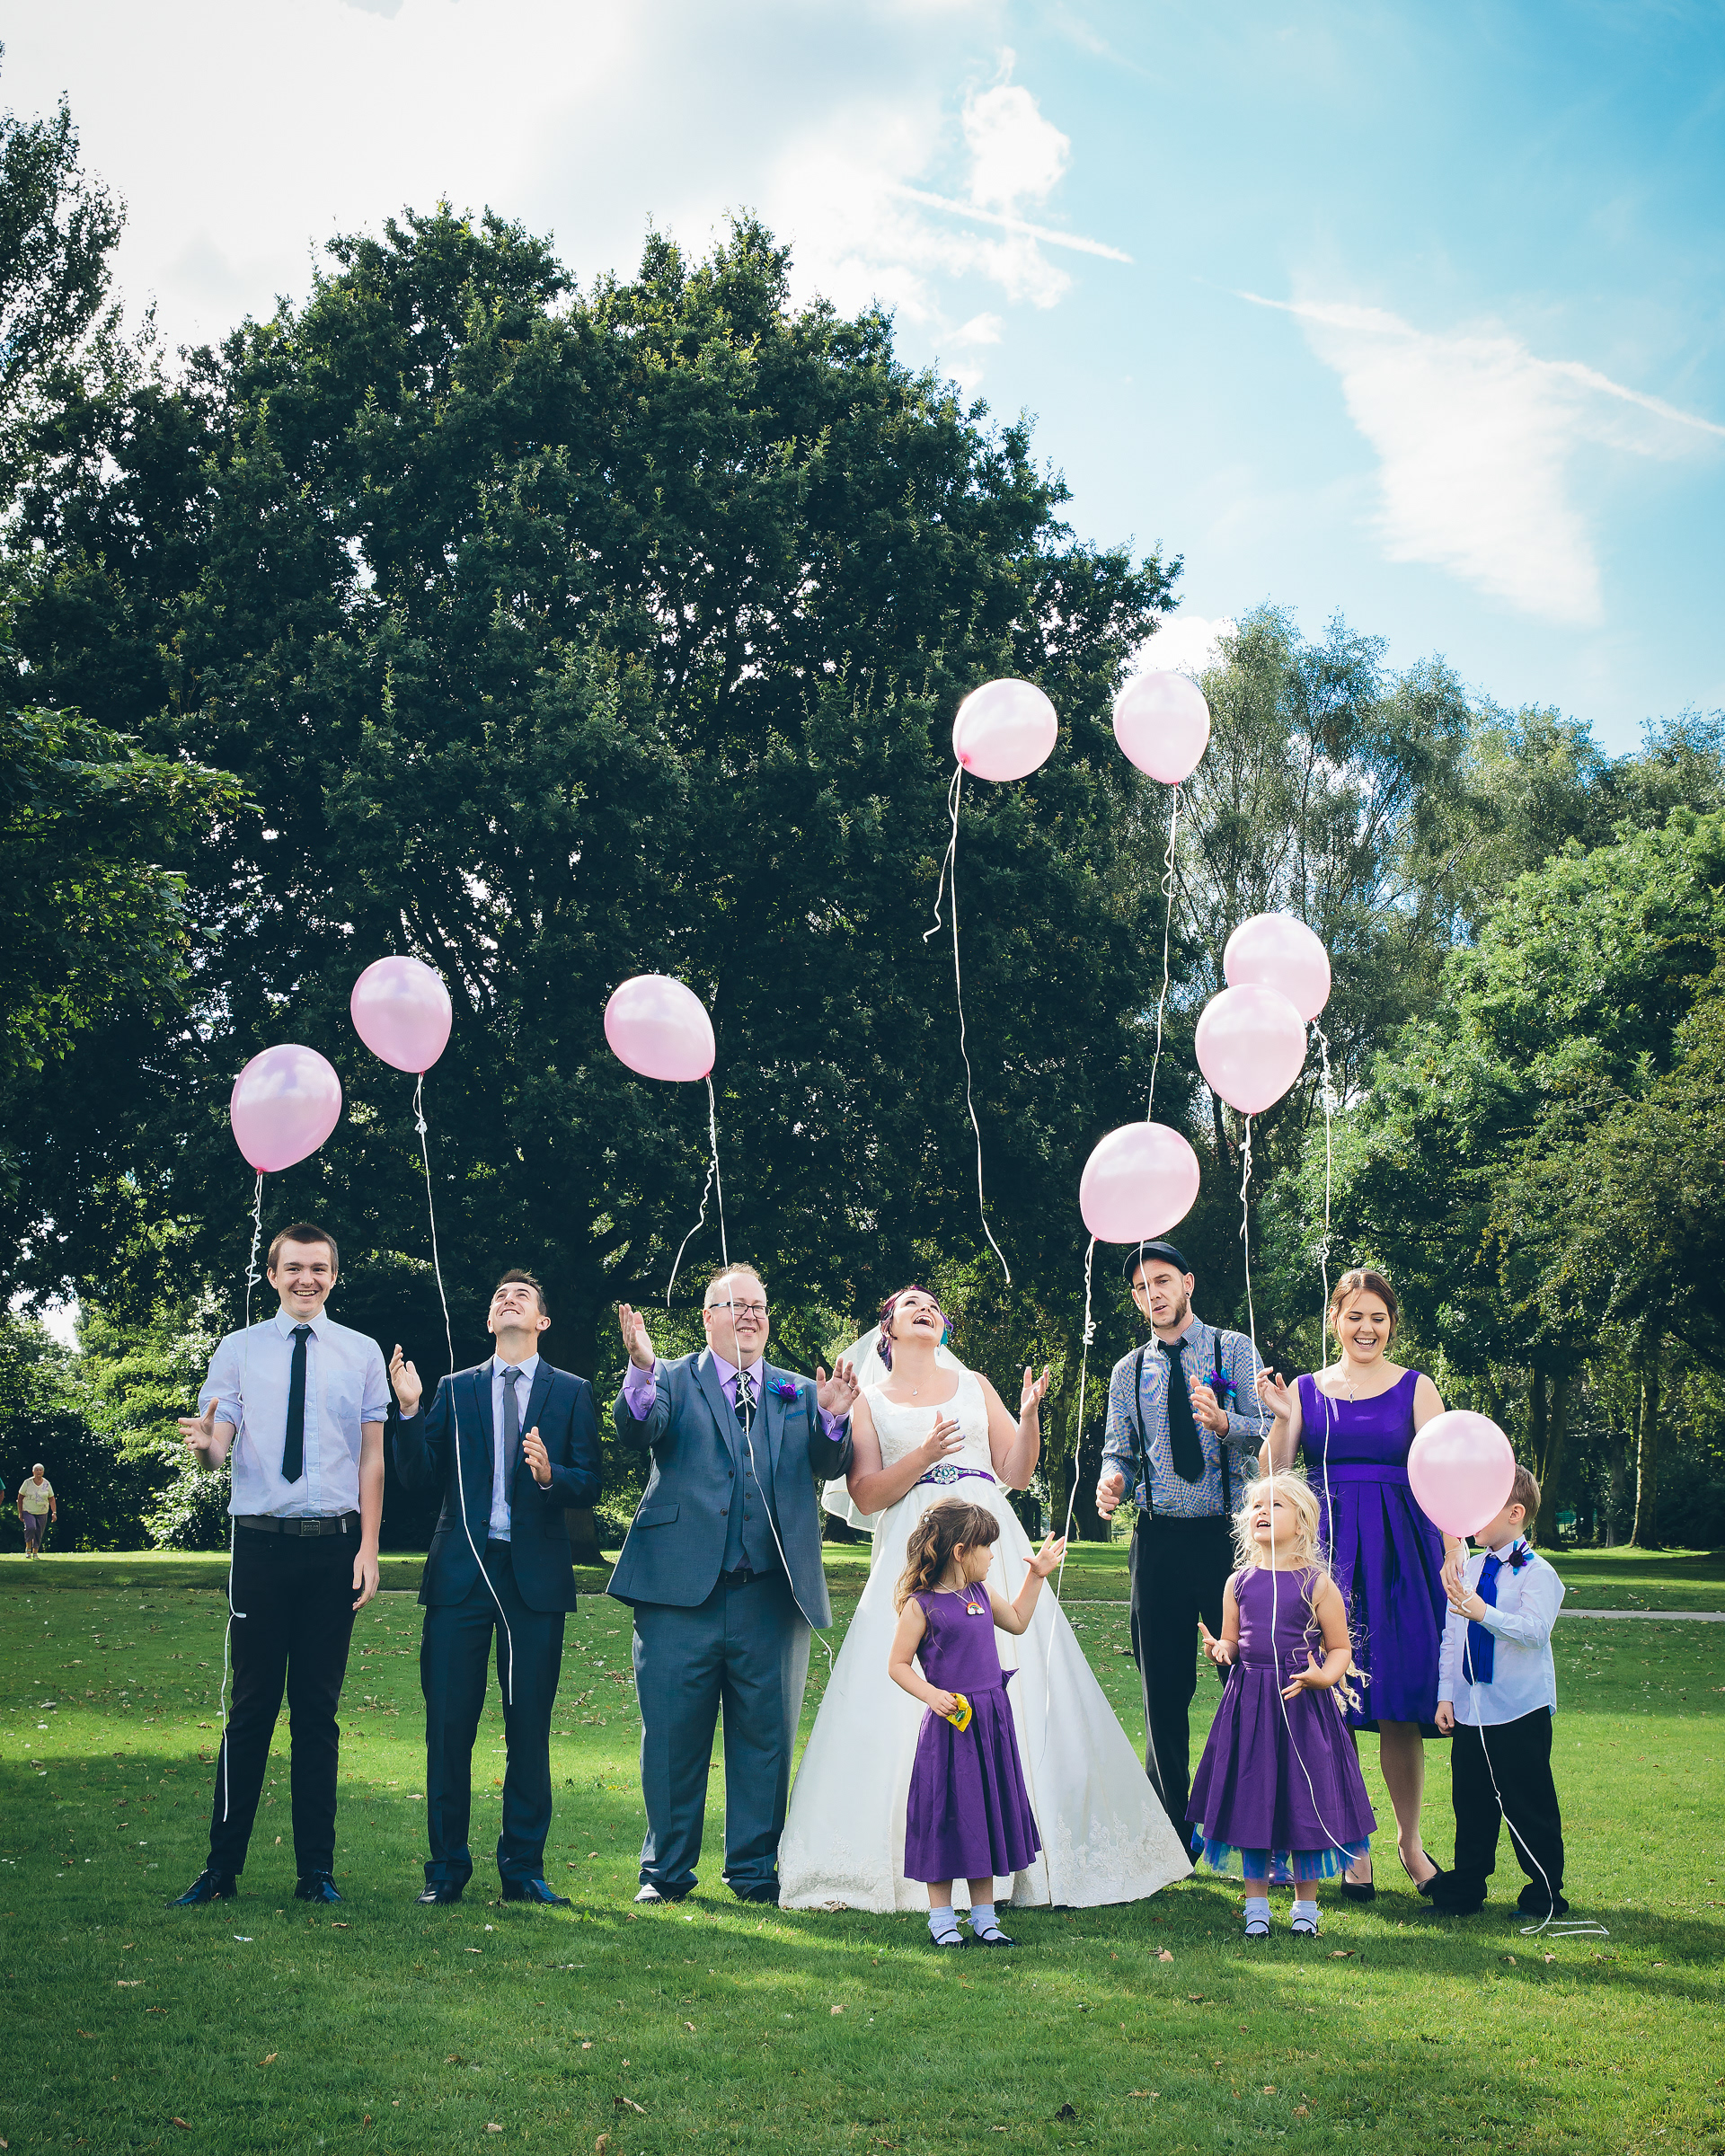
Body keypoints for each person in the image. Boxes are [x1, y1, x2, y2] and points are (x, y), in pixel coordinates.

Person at [779, 1285, 1190, 1913]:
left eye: (932, 1305)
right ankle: (921, 1859)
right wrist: (923, 1456)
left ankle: (1025, 1851)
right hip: (916, 1545)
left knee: (1020, 1685)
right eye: (909, 1303)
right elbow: (864, 1495)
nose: (925, 1307)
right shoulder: (872, 1400)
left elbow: (1016, 1471)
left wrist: (1027, 1417)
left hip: (985, 1539)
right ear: (886, 1329)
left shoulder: (973, 1383)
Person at [610, 1263, 859, 1904]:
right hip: (676, 1596)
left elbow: (831, 1463)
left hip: (771, 1598)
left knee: (766, 1741)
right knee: (670, 1740)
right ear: (707, 1317)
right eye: (734, 1304)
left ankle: (753, 1873)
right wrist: (639, 1365)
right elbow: (638, 1426)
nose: (749, 1315)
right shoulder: (667, 1378)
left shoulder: (802, 1391)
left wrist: (833, 1419)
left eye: (757, 1306)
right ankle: (664, 1874)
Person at [170, 1223, 388, 1907]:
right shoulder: (238, 1350)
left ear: (333, 1275)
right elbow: (218, 1444)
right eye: (294, 1267)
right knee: (251, 1708)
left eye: (319, 1268)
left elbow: (372, 1456)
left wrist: (370, 1549)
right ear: (272, 1275)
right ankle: (221, 1869)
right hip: (259, 1547)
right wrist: (206, 1447)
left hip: (334, 1548)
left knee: (317, 1713)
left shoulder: (360, 1351)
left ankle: (315, 1872)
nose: (307, 1279)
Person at [389, 1268, 603, 1906]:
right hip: (460, 1579)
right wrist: (407, 1409)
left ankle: (523, 1871)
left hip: (533, 1583)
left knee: (529, 1727)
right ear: (489, 1322)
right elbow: (416, 1475)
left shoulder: (571, 1392)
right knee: (448, 1729)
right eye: (499, 1298)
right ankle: (446, 1870)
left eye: (524, 1297)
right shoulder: (454, 1391)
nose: (509, 1302)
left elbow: (589, 1480)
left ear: (541, 1321)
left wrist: (550, 1474)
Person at [1254, 1267, 1459, 1899]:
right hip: (1330, 1562)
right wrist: (1286, 1417)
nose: (1367, 1327)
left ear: (1391, 1324)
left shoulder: (1418, 1388)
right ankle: (1349, 1846)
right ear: (1335, 1321)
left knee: (1398, 1703)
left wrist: (1456, 1554)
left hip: (1403, 1558)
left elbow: (1451, 1476)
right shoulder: (1308, 1390)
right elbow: (1273, 1477)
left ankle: (1411, 1843)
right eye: (1355, 1316)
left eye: (1378, 1317)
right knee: (1331, 1705)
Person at [1095, 1241, 1270, 1848]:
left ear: (1188, 1283)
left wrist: (1227, 1424)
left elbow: (1272, 1432)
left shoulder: (1233, 1350)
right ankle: (1171, 1828)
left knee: (1247, 1681)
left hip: (1228, 1539)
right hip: (1159, 1541)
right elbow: (1117, 1447)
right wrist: (1110, 1479)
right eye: (1142, 1288)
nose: (1154, 1295)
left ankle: (1254, 1820)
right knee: (1162, 1687)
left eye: (1163, 1281)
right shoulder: (1126, 1372)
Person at [1186, 1473, 1376, 1938]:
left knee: (1303, 1801)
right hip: (1249, 1708)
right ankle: (1255, 1909)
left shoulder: (1317, 1583)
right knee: (1252, 1798)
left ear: (1304, 1521)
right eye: (1256, 1506)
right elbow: (1232, 1639)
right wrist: (1222, 1650)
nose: (1263, 1512)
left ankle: (1305, 1911)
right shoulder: (1238, 1583)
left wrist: (1324, 1677)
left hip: (1303, 1707)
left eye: (1277, 1505)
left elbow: (1340, 1649)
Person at [888, 1498, 1066, 1948]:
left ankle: (985, 1918)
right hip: (950, 1731)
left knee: (983, 1811)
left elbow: (1021, 1621)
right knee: (944, 1814)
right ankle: (942, 1920)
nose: (992, 1557)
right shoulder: (921, 1606)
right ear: (961, 1551)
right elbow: (898, 1664)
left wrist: (1037, 1574)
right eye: (987, 1549)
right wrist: (933, 1696)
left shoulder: (981, 1595)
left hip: (989, 1724)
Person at [1432, 1465, 1569, 1921]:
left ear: (1514, 1513)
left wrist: (1485, 1612)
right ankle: (1466, 1886)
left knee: (1528, 1801)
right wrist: (1445, 1695)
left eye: (1482, 1506)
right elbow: (1452, 1636)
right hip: (1472, 1708)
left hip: (1519, 1708)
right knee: (1470, 1801)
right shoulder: (1467, 1567)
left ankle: (1544, 1891)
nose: (1470, 1516)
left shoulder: (1540, 1574)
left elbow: (1534, 1632)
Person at [17, 1464, 56, 1555]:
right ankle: (28, 1549)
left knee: (39, 1532)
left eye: (40, 1470)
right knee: (31, 1527)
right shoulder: (27, 1483)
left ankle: (35, 1553)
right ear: (33, 1472)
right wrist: (20, 1512)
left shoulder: (46, 1484)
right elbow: (20, 1498)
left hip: (42, 1511)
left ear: (43, 1472)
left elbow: (51, 1498)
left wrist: (54, 1512)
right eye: (37, 1470)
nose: (39, 1472)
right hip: (28, 1511)